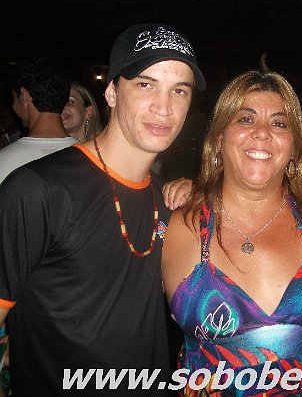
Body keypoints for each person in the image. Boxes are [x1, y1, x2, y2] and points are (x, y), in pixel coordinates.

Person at [0, 23, 205, 395]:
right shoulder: (38, 190)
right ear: (111, 92)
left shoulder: (169, 201)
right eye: (146, 85)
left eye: (179, 90)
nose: (164, 107)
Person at [162, 70, 302, 395]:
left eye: (279, 123)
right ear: (218, 138)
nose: (262, 133)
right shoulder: (176, 221)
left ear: (295, 147)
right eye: (245, 119)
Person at [0, 57, 76, 183]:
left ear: (23, 95)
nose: (13, 106)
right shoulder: (92, 158)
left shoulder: (4, 162)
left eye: (13, 98)